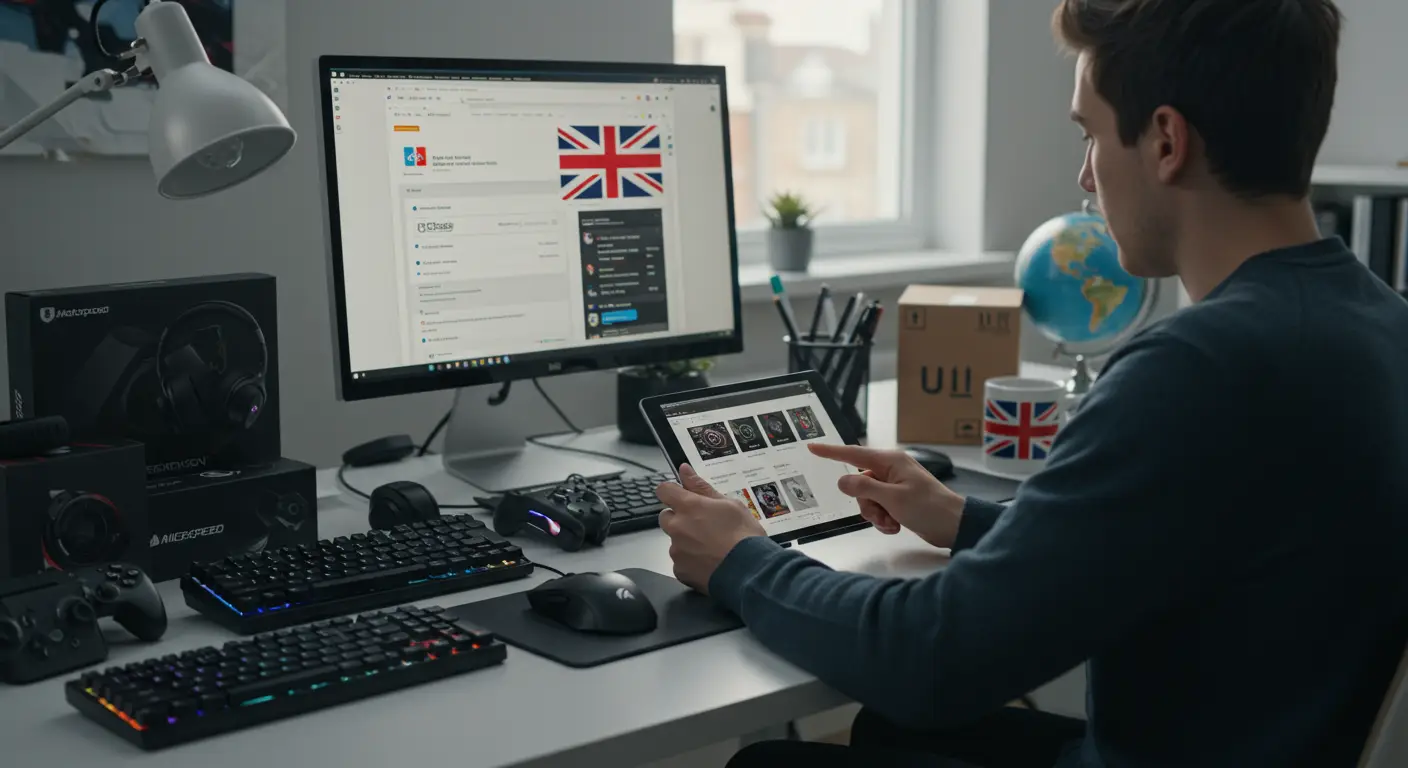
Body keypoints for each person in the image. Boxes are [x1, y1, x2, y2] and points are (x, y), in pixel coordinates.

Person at [654, 0, 1408, 766]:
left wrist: (742, 560)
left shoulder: (1197, 370)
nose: (1085, 176)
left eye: (1088, 134)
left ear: (1167, 142)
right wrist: (965, 521)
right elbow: (1205, 542)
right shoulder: (1381, 324)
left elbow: (931, 663)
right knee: (889, 735)